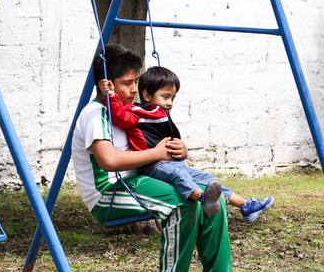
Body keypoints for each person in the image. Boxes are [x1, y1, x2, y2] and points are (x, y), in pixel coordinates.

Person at [74, 43, 251, 272]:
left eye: (135, 82)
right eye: (126, 83)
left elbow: (158, 146)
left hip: (141, 180)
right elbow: (109, 160)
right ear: (105, 83)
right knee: (184, 204)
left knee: (210, 202)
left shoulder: (131, 111)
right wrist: (157, 154)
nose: (133, 89)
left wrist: (178, 149)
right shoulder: (96, 115)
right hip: (109, 193)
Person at [98, 64, 275, 223]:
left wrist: (181, 150)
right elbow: (120, 117)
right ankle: (203, 199)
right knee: (178, 175)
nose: (170, 103)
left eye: (172, 98)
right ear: (146, 95)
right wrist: (111, 95)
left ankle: (246, 206)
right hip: (151, 165)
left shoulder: (160, 113)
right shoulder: (136, 111)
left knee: (208, 179)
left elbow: (173, 139)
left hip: (171, 163)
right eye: (165, 97)